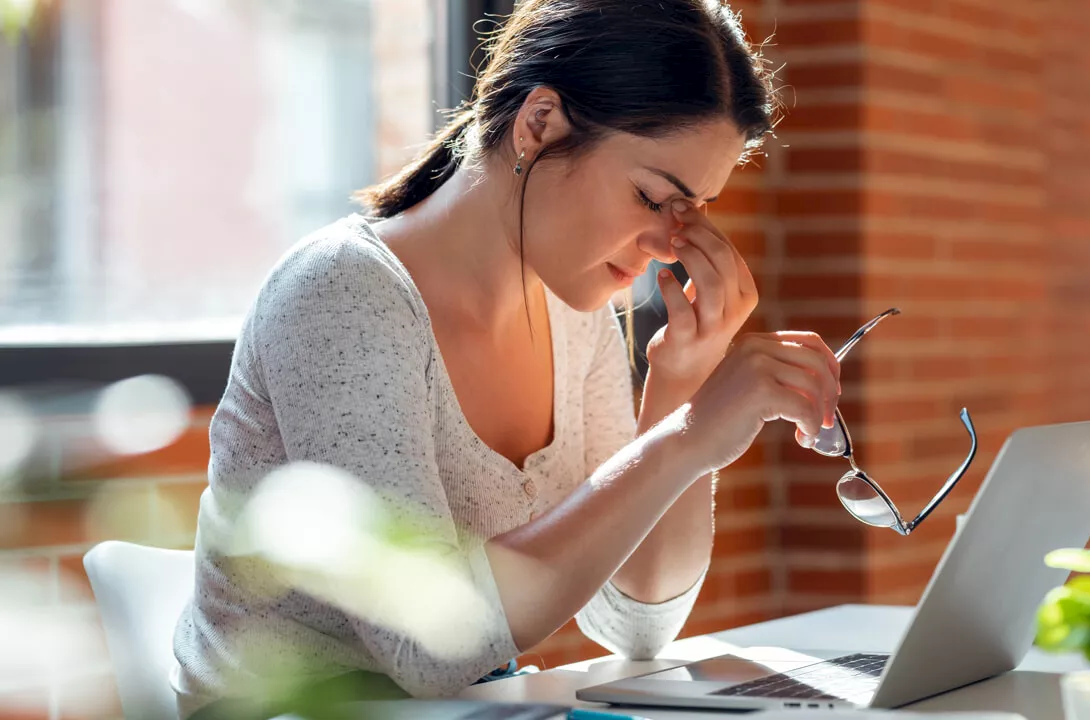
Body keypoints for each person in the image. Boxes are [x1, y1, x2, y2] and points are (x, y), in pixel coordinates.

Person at [171, 0, 842, 717]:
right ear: (539, 124)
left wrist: (679, 384)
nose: (669, 246)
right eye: (653, 197)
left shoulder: (571, 310)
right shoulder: (342, 294)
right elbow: (427, 645)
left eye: (693, 212)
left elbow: (635, 622)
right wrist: (689, 438)